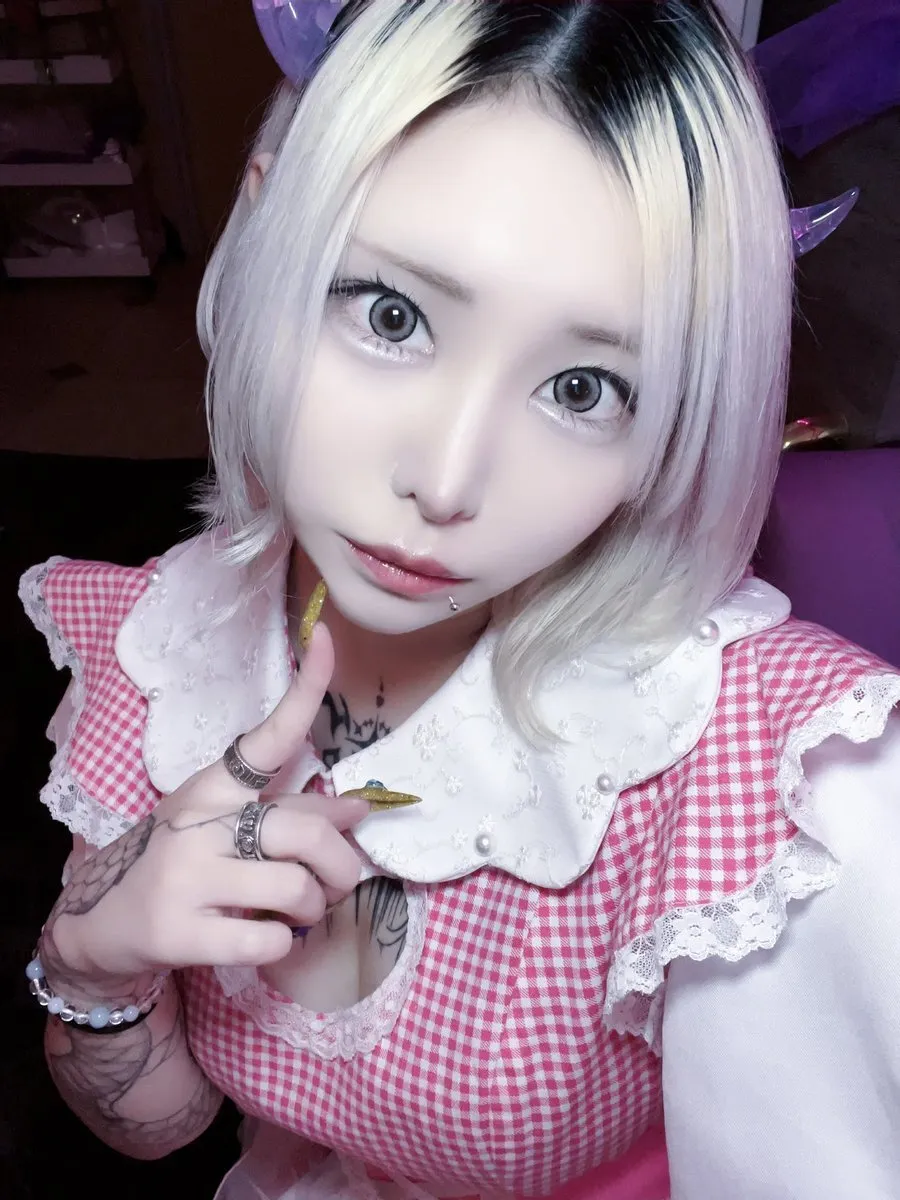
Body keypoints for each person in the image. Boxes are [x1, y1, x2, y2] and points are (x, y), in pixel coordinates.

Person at [19, 2, 900, 1197]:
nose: (445, 482)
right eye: (393, 317)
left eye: (583, 388)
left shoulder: (783, 783)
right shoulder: (167, 653)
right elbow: (159, 1130)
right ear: (270, 232)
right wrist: (95, 969)